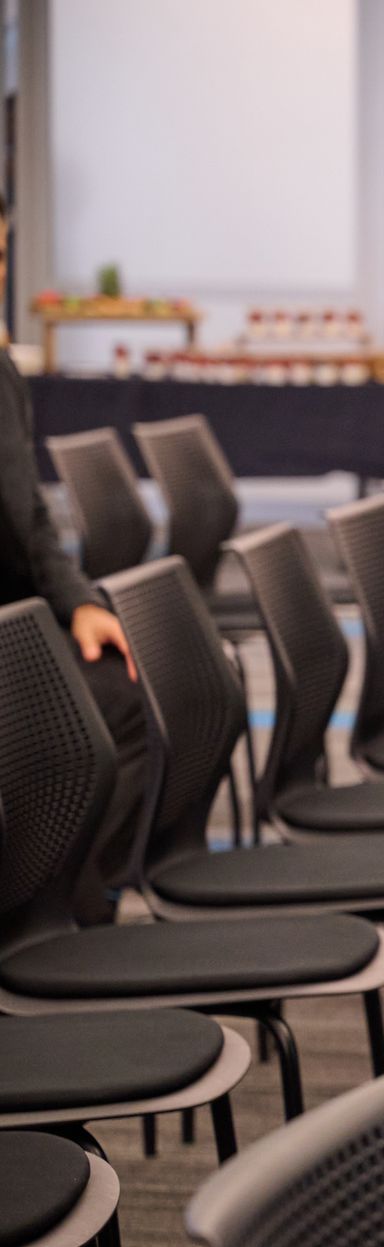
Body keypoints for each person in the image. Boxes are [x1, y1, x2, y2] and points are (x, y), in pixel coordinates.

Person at [0, 194, 145, 923]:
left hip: (20, 621)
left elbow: (29, 517)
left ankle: (77, 906)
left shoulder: (1, 371)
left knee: (132, 699)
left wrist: (79, 601)